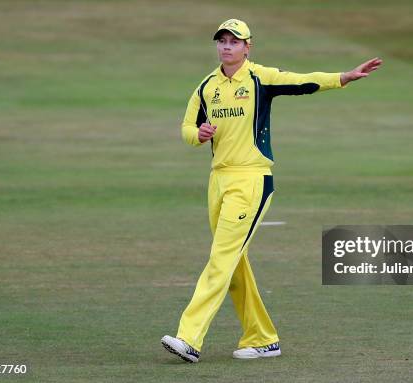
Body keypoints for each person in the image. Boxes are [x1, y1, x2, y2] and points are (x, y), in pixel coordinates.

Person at [162, 18, 382, 363]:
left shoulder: (259, 77)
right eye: (222, 41)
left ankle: (188, 337)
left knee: (221, 260)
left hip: (251, 180)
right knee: (234, 264)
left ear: (247, 47)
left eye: (234, 42)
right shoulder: (207, 85)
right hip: (217, 180)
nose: (227, 47)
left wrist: (342, 78)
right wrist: (198, 135)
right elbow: (187, 127)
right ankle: (264, 338)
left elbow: (301, 81)